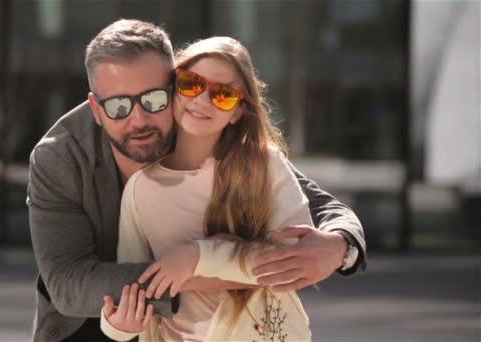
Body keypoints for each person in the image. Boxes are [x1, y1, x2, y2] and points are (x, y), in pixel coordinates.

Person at [27, 19, 366, 342]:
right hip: (95, 328)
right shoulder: (59, 157)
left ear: (176, 87)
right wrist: (197, 271)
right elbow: (69, 284)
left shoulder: (198, 124)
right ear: (96, 109)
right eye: (117, 106)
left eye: (154, 98)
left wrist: (342, 248)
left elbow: (317, 203)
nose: (139, 118)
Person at [99, 35, 320, 342]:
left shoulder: (263, 166)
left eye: (223, 95)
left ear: (237, 111)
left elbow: (295, 258)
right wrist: (118, 327)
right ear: (173, 89)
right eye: (191, 84)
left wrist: (198, 256)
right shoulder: (141, 189)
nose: (202, 100)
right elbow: (132, 286)